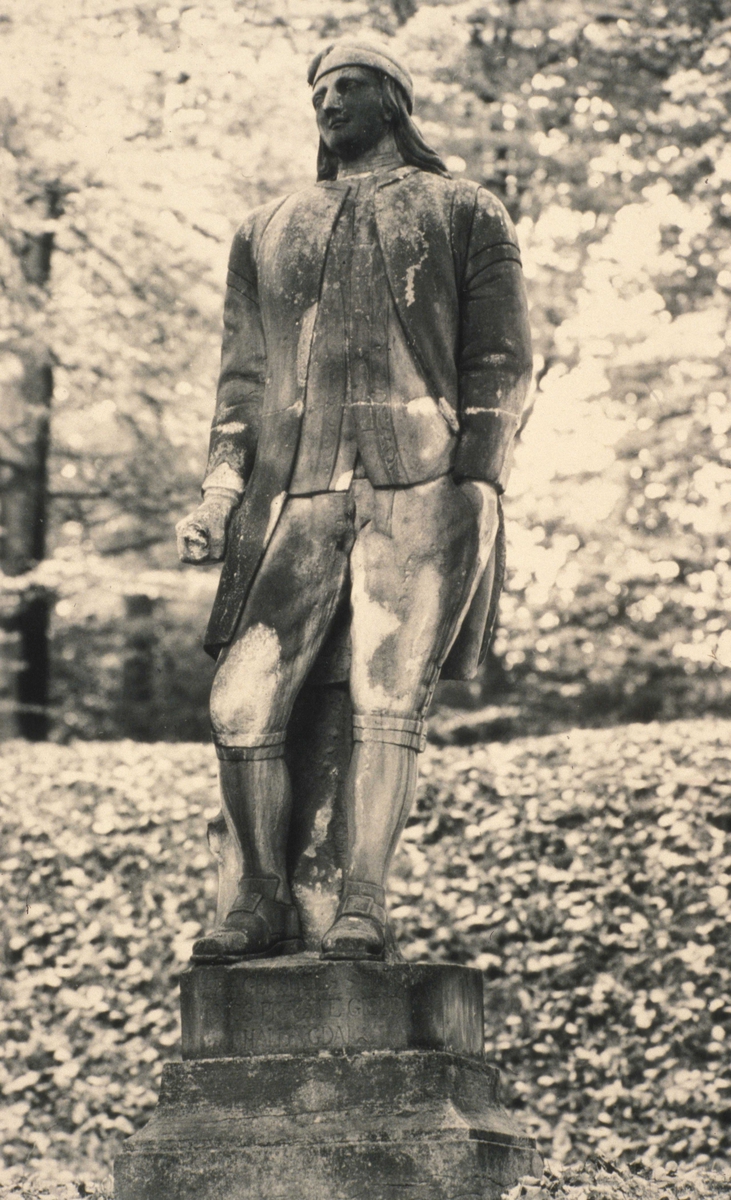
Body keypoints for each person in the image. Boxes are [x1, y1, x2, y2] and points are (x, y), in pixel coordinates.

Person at [176, 40, 533, 963]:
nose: (329, 101)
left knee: (387, 702)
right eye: (320, 90)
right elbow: (242, 383)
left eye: (351, 86)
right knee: (240, 704)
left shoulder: (461, 208)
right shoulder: (267, 227)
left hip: (424, 485)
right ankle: (257, 896)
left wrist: (476, 475)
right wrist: (220, 493)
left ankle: (362, 903)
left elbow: (500, 356)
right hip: (294, 495)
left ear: (394, 103)